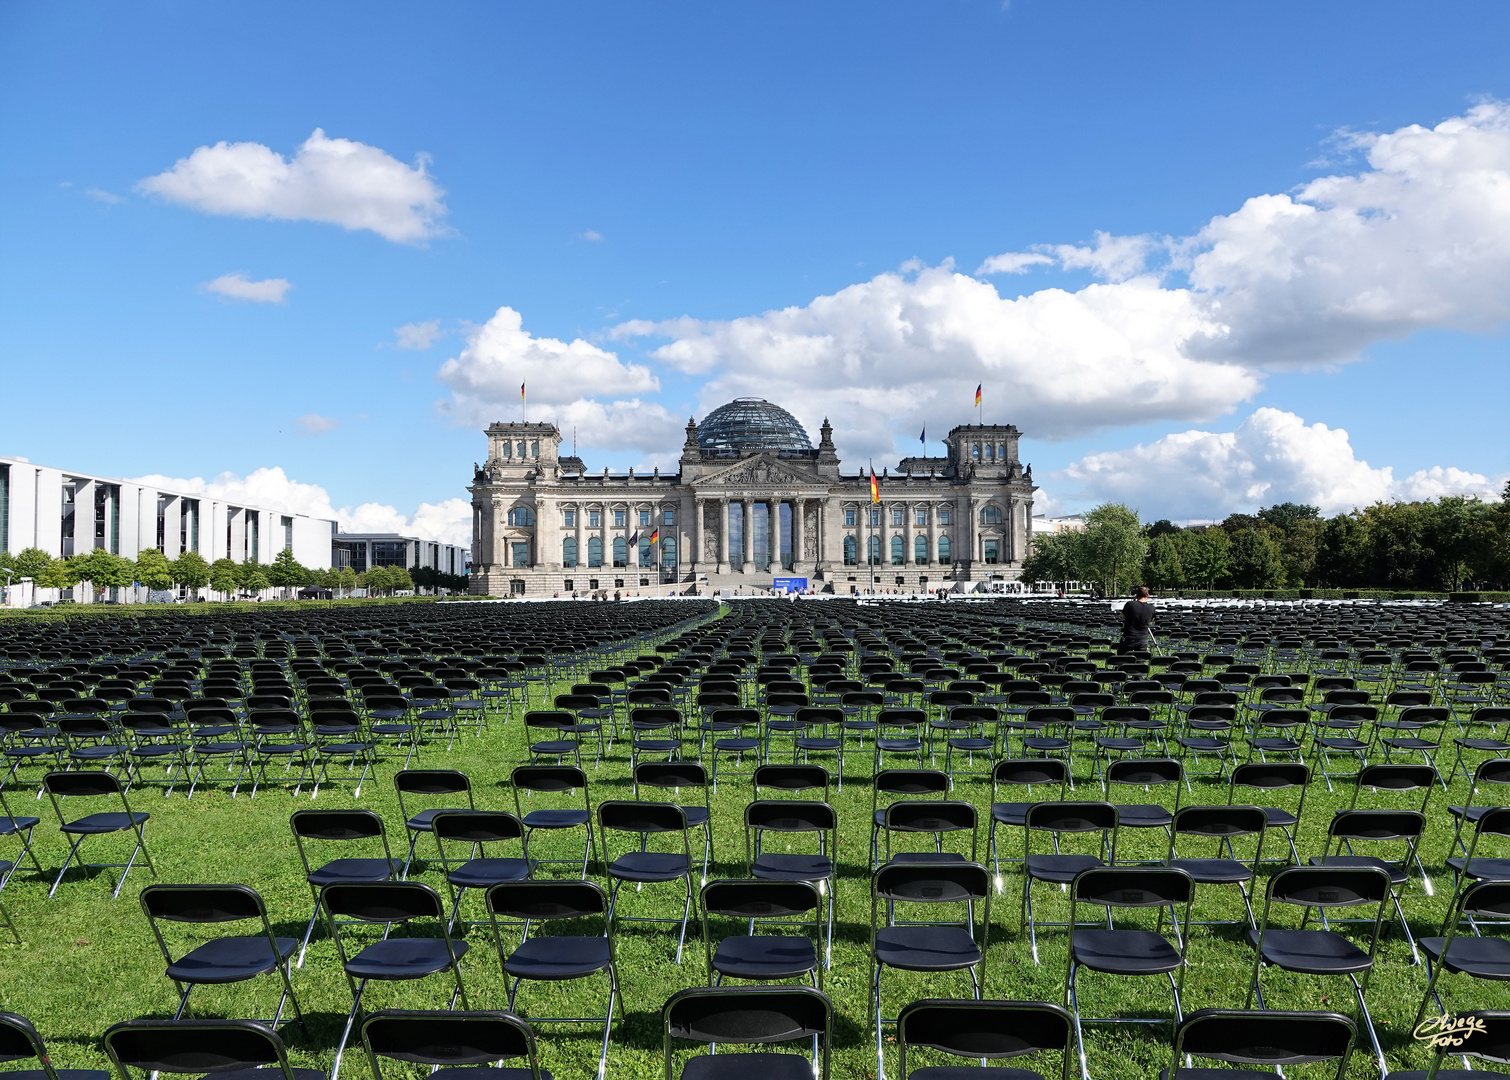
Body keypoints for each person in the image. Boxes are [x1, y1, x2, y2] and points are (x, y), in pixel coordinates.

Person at [1120, 586, 1155, 652]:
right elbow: (1151, 620)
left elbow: (1122, 616)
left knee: (1123, 659)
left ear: (1137, 595)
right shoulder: (1152, 608)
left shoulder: (1130, 604)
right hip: (1143, 638)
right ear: (1148, 595)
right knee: (1140, 660)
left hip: (1129, 637)